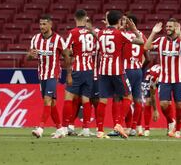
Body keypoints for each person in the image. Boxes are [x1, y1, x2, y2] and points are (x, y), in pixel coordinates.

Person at [96, 10, 144, 139]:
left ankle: (100, 130)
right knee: (128, 96)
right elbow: (140, 42)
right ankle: (119, 123)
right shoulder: (120, 34)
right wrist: (134, 29)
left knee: (103, 99)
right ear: (118, 21)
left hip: (103, 70)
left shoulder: (100, 33)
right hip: (117, 70)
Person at [144, 18, 181, 138]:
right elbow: (146, 47)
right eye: (167, 27)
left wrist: (180, 35)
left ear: (176, 28)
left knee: (179, 105)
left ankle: (178, 130)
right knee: (164, 104)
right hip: (164, 79)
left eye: (171, 27)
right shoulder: (161, 40)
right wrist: (153, 32)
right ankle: (171, 121)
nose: (168, 28)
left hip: (179, 79)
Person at [29, 14, 66, 139]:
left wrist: (70, 73)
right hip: (41, 74)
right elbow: (29, 56)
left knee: (47, 100)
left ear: (50, 24)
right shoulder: (35, 39)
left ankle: (40, 128)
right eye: (40, 24)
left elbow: (67, 55)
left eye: (44, 24)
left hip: (53, 74)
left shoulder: (58, 39)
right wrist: (30, 55)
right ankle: (60, 129)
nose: (42, 26)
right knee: (52, 103)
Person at [62, 9, 95, 137]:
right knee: (86, 99)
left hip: (78, 69)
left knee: (69, 97)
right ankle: (86, 128)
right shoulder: (91, 33)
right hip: (89, 70)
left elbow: (65, 50)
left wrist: (69, 72)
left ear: (75, 19)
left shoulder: (73, 32)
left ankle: (64, 127)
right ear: (86, 18)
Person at [122, 14, 151, 136]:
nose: (122, 23)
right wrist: (140, 68)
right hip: (138, 70)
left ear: (130, 22)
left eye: (124, 21)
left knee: (125, 98)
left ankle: (127, 126)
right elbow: (148, 58)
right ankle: (134, 127)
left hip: (126, 70)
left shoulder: (124, 35)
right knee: (137, 98)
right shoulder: (142, 36)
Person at [140, 64, 161, 137]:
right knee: (147, 101)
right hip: (149, 78)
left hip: (162, 79)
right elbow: (152, 94)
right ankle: (146, 128)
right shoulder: (153, 76)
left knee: (165, 102)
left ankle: (170, 124)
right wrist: (155, 110)